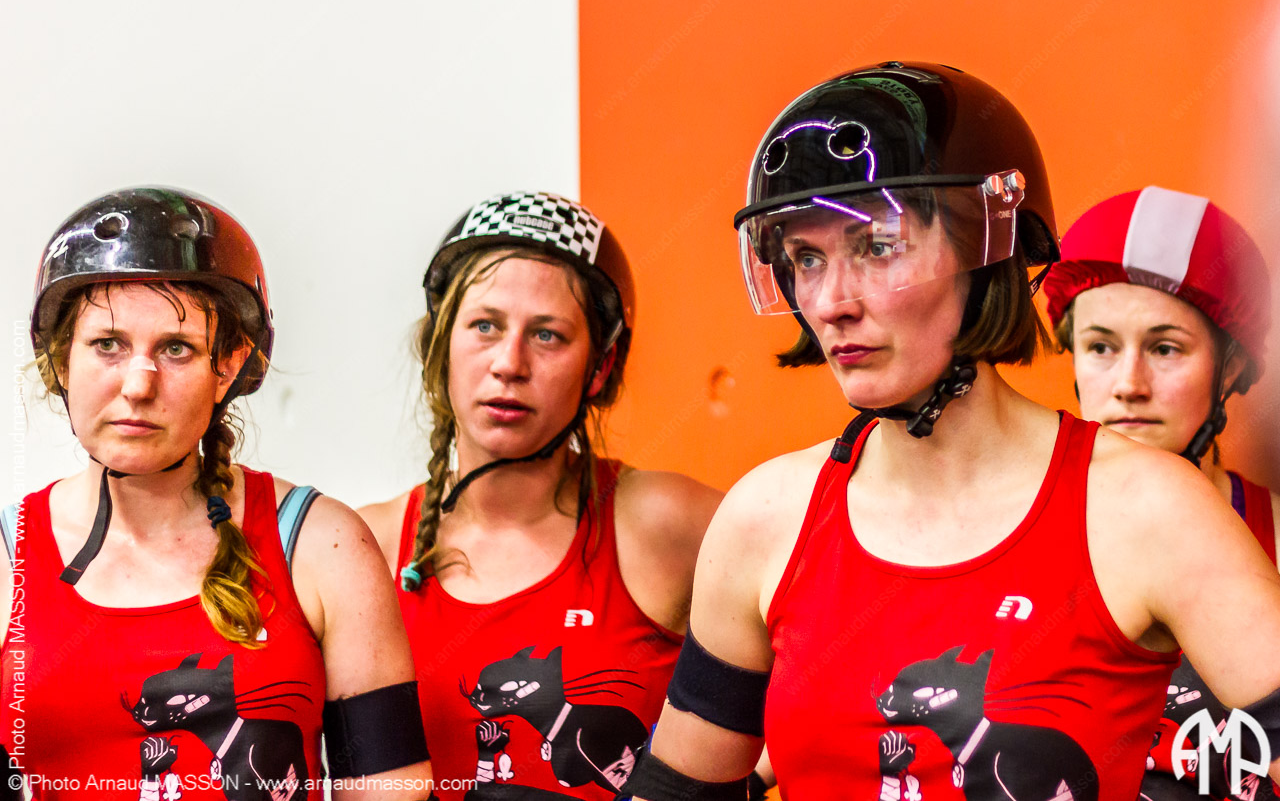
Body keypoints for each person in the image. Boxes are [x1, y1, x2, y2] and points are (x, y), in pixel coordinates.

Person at [618, 62, 1280, 801]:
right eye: (806, 258)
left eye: (876, 246)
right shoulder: (764, 518)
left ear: (984, 251)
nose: (831, 302)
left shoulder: (1148, 506)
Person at [0, 188, 432, 800]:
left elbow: (391, 789)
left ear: (227, 365)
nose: (138, 385)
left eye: (176, 349)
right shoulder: (7, 556)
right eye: (107, 345)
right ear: (61, 361)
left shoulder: (321, 544)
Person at [359, 192, 722, 801]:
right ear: (441, 345)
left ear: (599, 368)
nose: (510, 363)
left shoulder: (663, 522)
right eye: (485, 326)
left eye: (547, 335)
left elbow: (835, 662)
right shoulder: (365, 546)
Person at [1043, 187, 1279, 801]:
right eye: (1100, 347)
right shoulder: (1007, 526)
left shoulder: (1274, 535)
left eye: (1165, 348)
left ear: (1230, 368)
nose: (1129, 384)